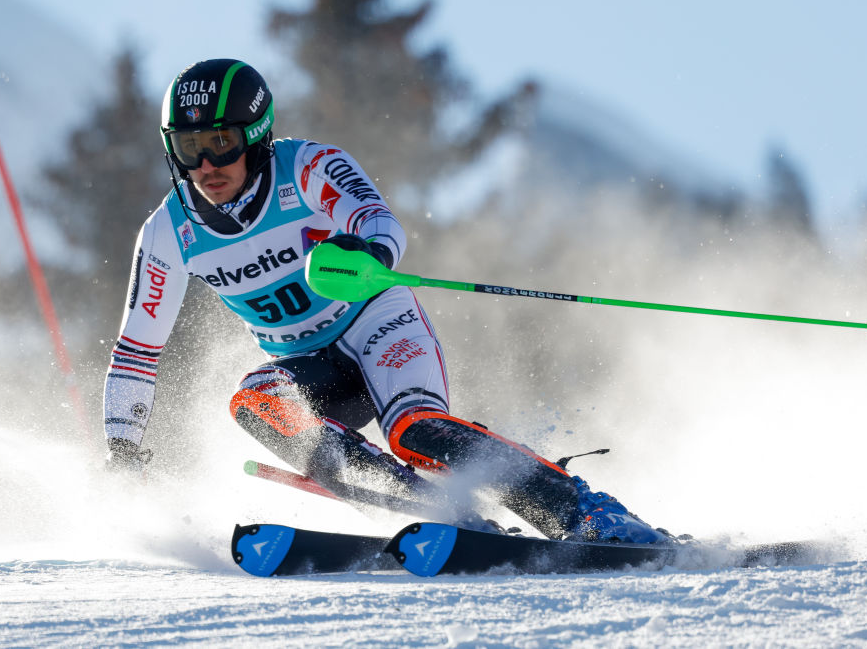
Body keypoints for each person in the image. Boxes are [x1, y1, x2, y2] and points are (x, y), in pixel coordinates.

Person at [102, 58, 667, 544]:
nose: (206, 166)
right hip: (308, 362)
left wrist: (367, 251)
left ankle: (586, 514)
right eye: (189, 147)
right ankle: (436, 517)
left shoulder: (305, 168)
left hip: (377, 325)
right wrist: (122, 445)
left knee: (414, 430)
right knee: (257, 401)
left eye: (220, 144)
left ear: (255, 134)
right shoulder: (167, 232)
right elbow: (135, 350)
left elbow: (381, 223)